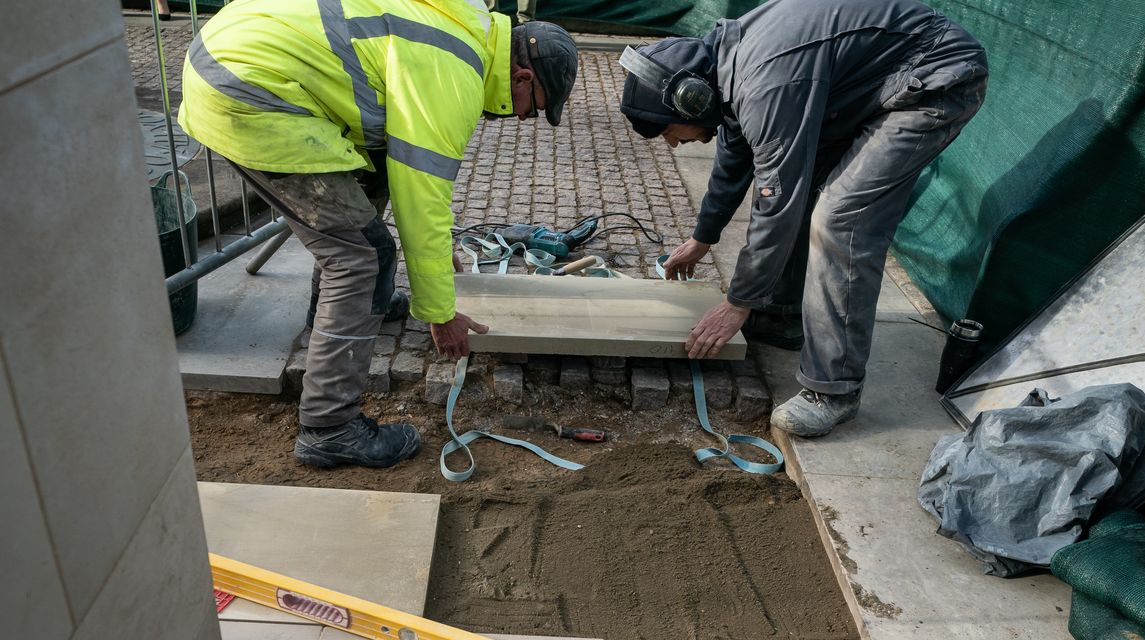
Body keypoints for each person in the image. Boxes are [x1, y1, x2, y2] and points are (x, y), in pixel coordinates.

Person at [179, 0, 577, 467]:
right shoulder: (455, 75)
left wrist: (439, 248)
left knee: (367, 197)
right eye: (532, 111)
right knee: (362, 258)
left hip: (235, 58)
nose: (521, 120)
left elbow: (406, 176)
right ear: (523, 80)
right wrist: (439, 310)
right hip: (252, 90)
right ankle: (329, 428)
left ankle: (333, 313)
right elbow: (422, 192)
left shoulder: (466, 27)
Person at [619, 0, 987, 437]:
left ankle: (835, 390)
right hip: (881, 78)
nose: (673, 145)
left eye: (667, 132)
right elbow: (735, 160)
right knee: (805, 189)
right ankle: (781, 316)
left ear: (690, 100)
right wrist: (704, 237)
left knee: (841, 218)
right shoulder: (727, 71)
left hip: (935, 78)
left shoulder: (763, 84)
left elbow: (777, 204)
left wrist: (738, 302)